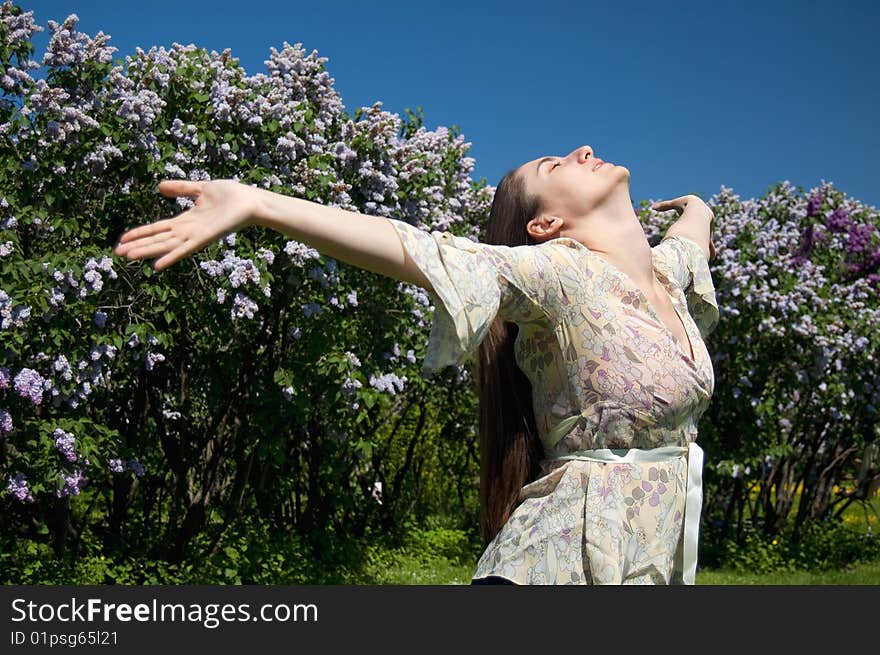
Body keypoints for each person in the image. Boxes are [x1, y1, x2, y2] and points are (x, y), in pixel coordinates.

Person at [113, 144, 719, 585]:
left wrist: (699, 208)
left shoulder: (669, 273)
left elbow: (692, 233)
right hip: (567, 559)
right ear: (545, 224)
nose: (582, 150)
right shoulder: (561, 274)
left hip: (646, 557)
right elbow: (419, 249)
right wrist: (258, 203)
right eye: (555, 165)